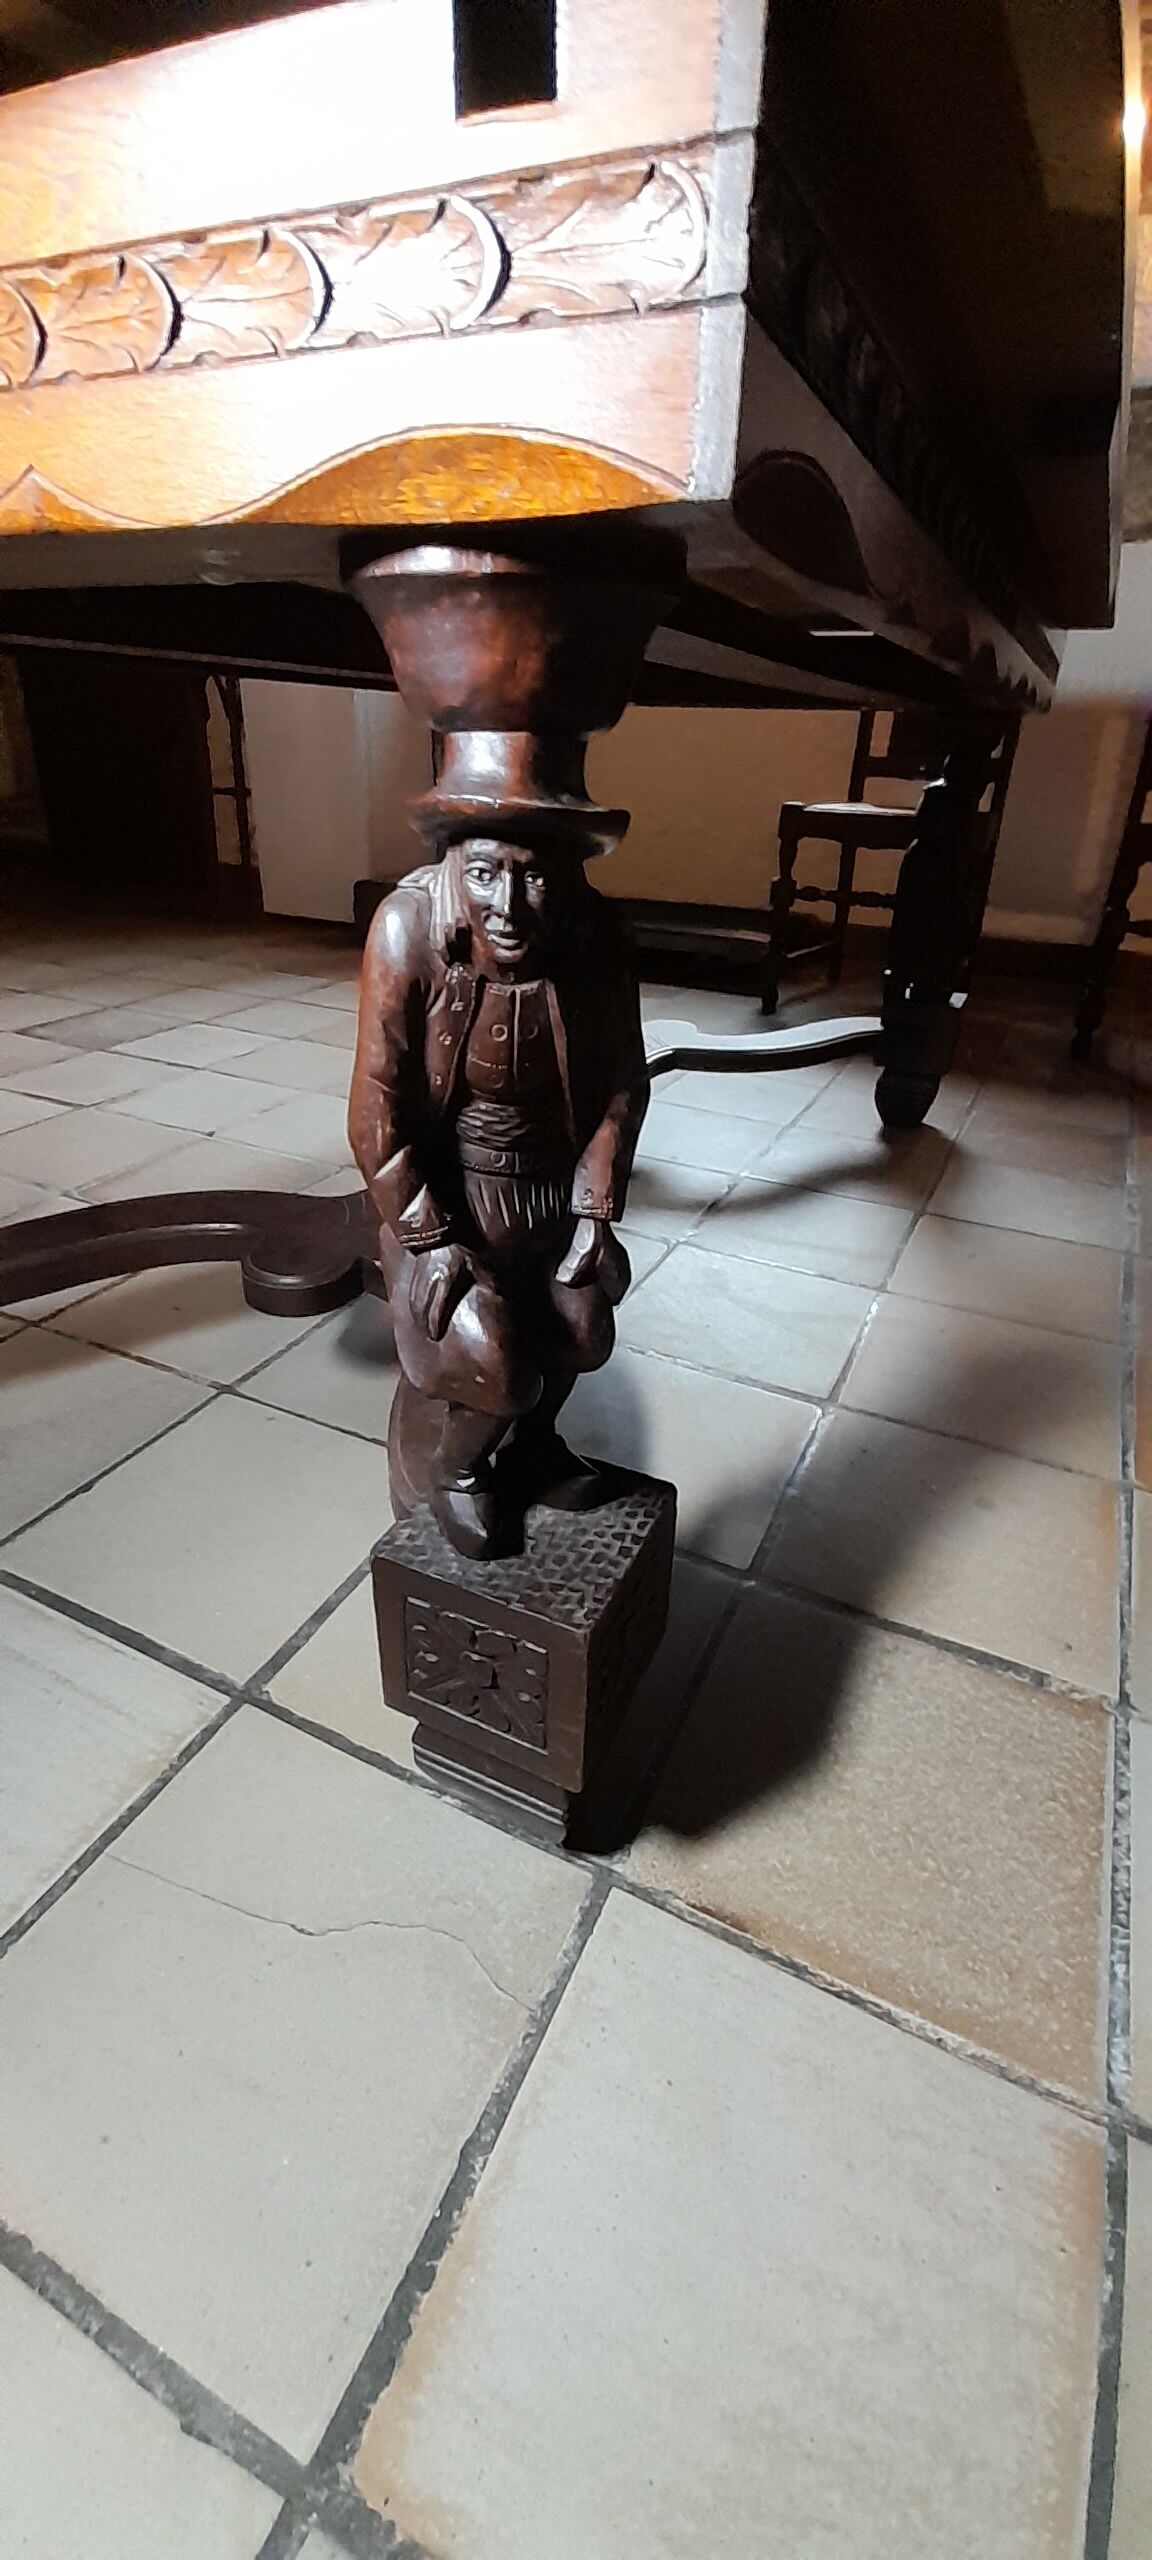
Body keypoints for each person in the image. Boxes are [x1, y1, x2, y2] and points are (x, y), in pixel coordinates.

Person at [348, 829, 650, 1557]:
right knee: (499, 1368)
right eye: (485, 873)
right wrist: (428, 1237)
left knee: (582, 1331)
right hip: (450, 1203)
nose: (508, 905)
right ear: (455, 864)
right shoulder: (408, 926)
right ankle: (456, 1468)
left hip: (549, 1193)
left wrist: (593, 1212)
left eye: (536, 878)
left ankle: (536, 1445)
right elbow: (374, 1114)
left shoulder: (597, 936)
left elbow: (622, 1083)